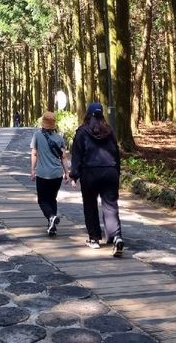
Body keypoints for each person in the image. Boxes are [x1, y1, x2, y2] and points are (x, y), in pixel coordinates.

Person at [69, 102, 124, 257]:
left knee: (90, 205)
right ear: (102, 116)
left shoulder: (81, 132)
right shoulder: (110, 131)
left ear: (88, 114)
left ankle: (94, 239)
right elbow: (116, 154)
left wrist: (74, 175)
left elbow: (77, 155)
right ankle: (116, 237)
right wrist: (116, 173)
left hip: (90, 173)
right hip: (110, 172)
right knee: (110, 206)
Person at [30, 111, 69, 236]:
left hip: (42, 173)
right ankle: (52, 227)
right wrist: (67, 173)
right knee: (52, 199)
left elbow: (34, 154)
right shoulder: (59, 137)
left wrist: (32, 170)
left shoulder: (37, 135)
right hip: (56, 174)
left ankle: (51, 217)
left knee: (42, 200)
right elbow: (63, 157)